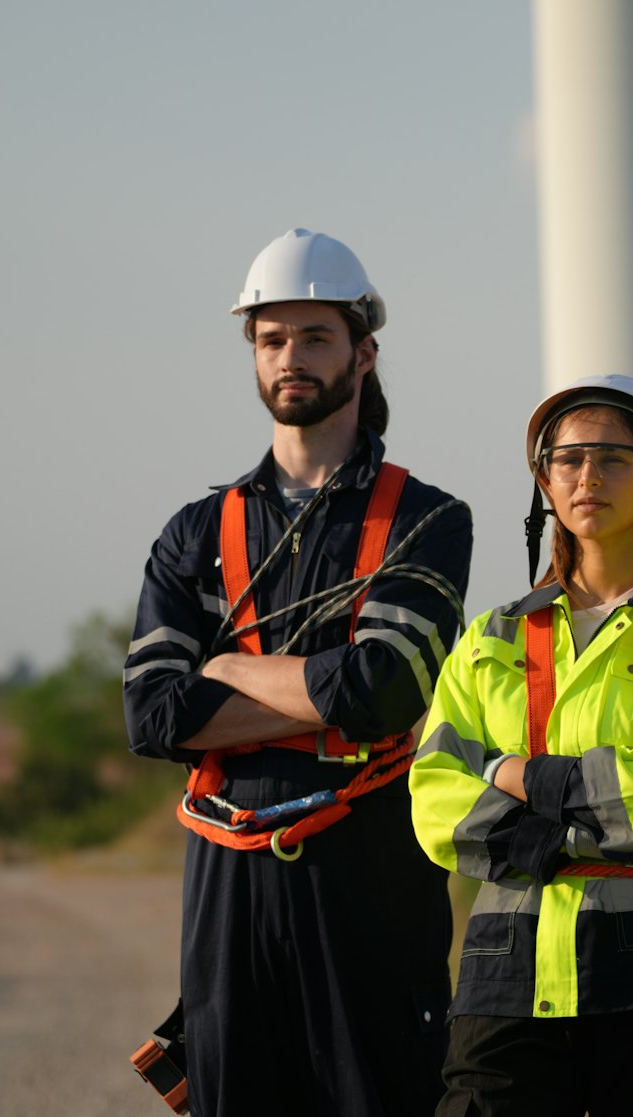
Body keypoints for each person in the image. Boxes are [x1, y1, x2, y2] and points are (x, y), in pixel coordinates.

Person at [122, 228, 473, 1116]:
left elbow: (384, 690)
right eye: (272, 339)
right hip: (227, 885)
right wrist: (323, 694)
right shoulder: (192, 533)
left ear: (364, 351)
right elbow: (154, 716)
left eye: (315, 336)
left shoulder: (427, 519)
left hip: (371, 872)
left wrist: (231, 669)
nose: (291, 357)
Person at [410, 375, 633, 1117]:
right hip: (509, 972)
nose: (586, 476)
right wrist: (566, 832)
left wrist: (504, 771)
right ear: (545, 479)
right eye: (566, 460)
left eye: (612, 457)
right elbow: (434, 797)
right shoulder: (491, 637)